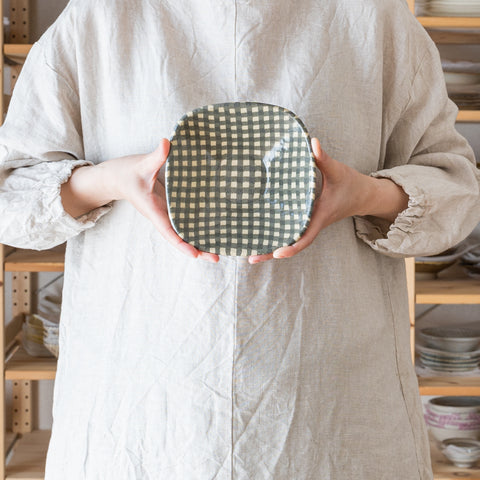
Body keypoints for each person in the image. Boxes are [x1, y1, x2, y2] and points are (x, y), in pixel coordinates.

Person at [0, 0, 479, 478]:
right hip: (143, 410)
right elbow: (11, 197)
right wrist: (112, 180)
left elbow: (456, 194)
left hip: (329, 410)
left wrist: (364, 194)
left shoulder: (373, 17)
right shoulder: (101, 16)